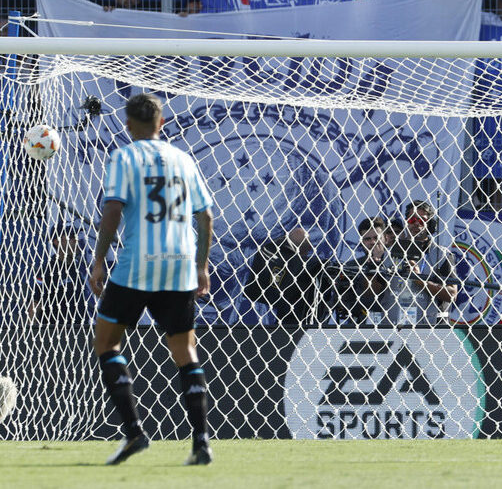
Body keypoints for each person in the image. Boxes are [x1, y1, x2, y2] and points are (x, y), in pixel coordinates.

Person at [88, 93, 214, 466]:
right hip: (179, 265)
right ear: (162, 124)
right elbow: (205, 217)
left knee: (107, 344)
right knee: (185, 352)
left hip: (136, 266)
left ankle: (134, 433)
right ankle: (201, 442)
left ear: (128, 126)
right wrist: (202, 266)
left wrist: (98, 260)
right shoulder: (182, 158)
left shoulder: (123, 157)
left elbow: (113, 209)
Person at [384, 201, 457, 324]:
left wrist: (420, 281)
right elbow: (374, 289)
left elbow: (452, 294)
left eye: (422, 220)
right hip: (395, 325)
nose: (416, 223)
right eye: (412, 220)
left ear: (430, 224)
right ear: (406, 222)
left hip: (431, 327)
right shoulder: (390, 253)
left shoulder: (441, 255)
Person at [242, 227, 329, 325]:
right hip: (298, 320)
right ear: (308, 249)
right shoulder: (310, 265)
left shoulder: (267, 252)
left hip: (279, 318)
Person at [29, 224, 93, 325]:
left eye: (76, 237)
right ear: (57, 242)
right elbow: (35, 303)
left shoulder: (79, 268)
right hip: (57, 334)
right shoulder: (47, 270)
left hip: (80, 332)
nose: (76, 241)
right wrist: (34, 333)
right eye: (71, 237)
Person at [340, 217, 390, 324]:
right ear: (362, 242)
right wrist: (374, 265)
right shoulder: (351, 266)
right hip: (360, 323)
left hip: (392, 322)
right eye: (367, 239)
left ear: (386, 238)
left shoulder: (397, 263)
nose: (372, 242)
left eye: (376, 238)